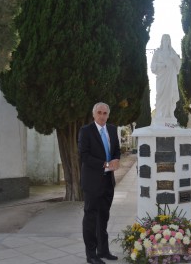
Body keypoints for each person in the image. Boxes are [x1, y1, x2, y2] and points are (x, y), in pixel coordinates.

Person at [78, 102, 121, 264]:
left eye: (105, 113)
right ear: (94, 114)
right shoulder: (86, 131)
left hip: (108, 182)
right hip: (92, 182)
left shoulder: (112, 129)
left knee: (103, 217)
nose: (102, 116)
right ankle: (91, 254)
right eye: (99, 113)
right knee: (91, 218)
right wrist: (104, 164)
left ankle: (103, 250)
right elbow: (84, 155)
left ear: (108, 115)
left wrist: (116, 159)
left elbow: (116, 149)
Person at [151, 34, 181, 120]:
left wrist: (174, 58)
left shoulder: (172, 52)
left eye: (168, 40)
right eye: (164, 39)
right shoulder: (157, 52)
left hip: (171, 76)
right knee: (160, 94)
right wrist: (161, 65)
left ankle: (169, 113)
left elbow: (178, 64)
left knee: (170, 94)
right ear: (162, 41)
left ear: (169, 42)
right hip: (161, 77)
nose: (166, 41)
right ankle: (160, 113)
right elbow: (153, 66)